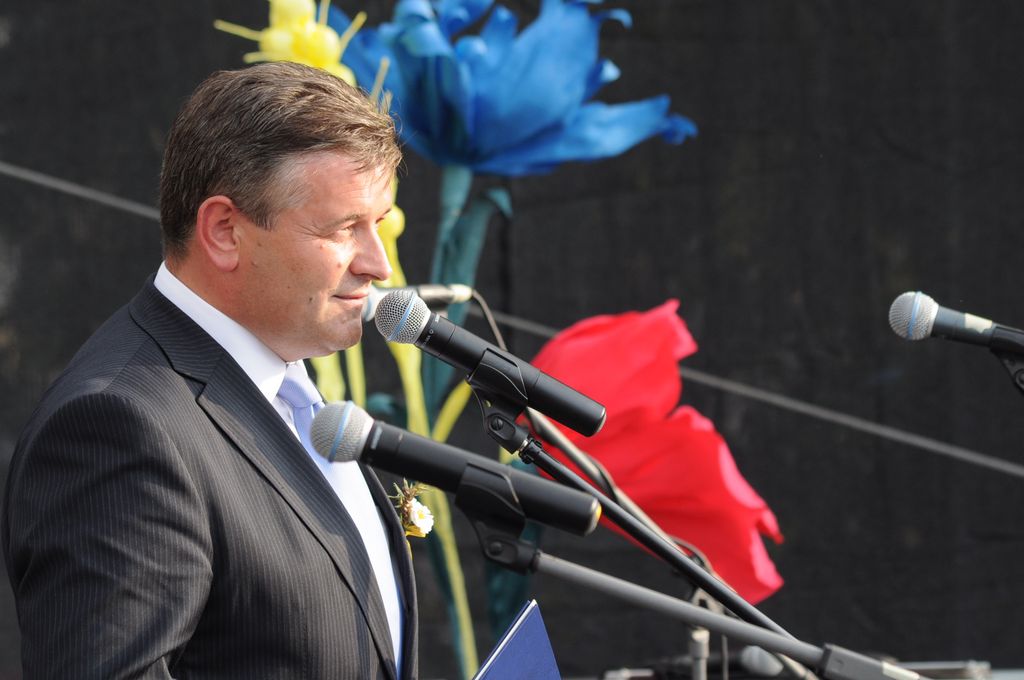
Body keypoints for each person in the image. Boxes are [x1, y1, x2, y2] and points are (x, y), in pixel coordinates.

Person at [2, 61, 416, 679]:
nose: (378, 265)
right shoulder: (116, 428)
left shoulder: (287, 384)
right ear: (224, 231)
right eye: (342, 228)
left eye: (377, 223)